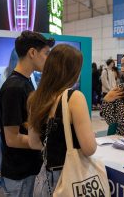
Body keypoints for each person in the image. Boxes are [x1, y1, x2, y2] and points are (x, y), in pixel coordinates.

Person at [27, 44, 97, 196]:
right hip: (70, 178)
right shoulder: (74, 98)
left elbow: (33, 143)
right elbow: (89, 148)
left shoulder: (35, 98)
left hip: (44, 179)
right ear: (72, 71)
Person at [0, 30, 55, 196]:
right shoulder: (14, 87)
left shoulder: (25, 83)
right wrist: (44, 143)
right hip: (20, 174)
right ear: (32, 52)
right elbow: (12, 138)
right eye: (46, 53)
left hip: (28, 169)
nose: (48, 59)